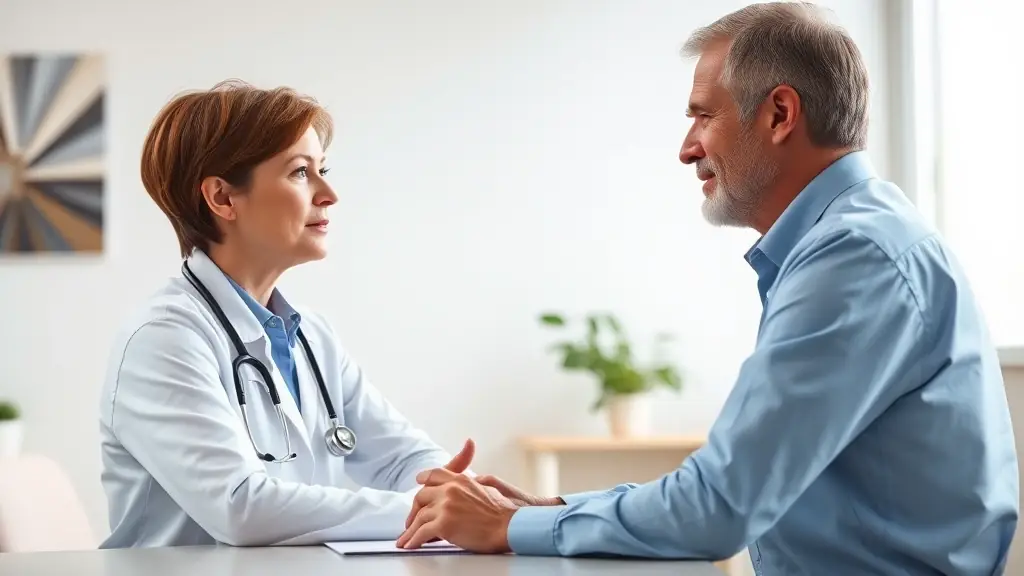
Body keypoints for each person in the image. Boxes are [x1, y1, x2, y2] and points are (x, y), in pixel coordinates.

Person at [396, 3, 1020, 574]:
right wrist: (546, 508)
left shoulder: (854, 257)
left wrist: (513, 525)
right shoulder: (854, 240)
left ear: (779, 114)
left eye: (702, 115)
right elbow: (726, 484)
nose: (686, 148)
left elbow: (719, 507)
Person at [98, 80, 476, 548]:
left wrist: (466, 496)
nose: (329, 193)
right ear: (222, 198)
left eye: (323, 169)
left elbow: (401, 459)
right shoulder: (164, 338)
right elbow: (242, 508)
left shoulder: (312, 337)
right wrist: (430, 511)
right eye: (301, 172)